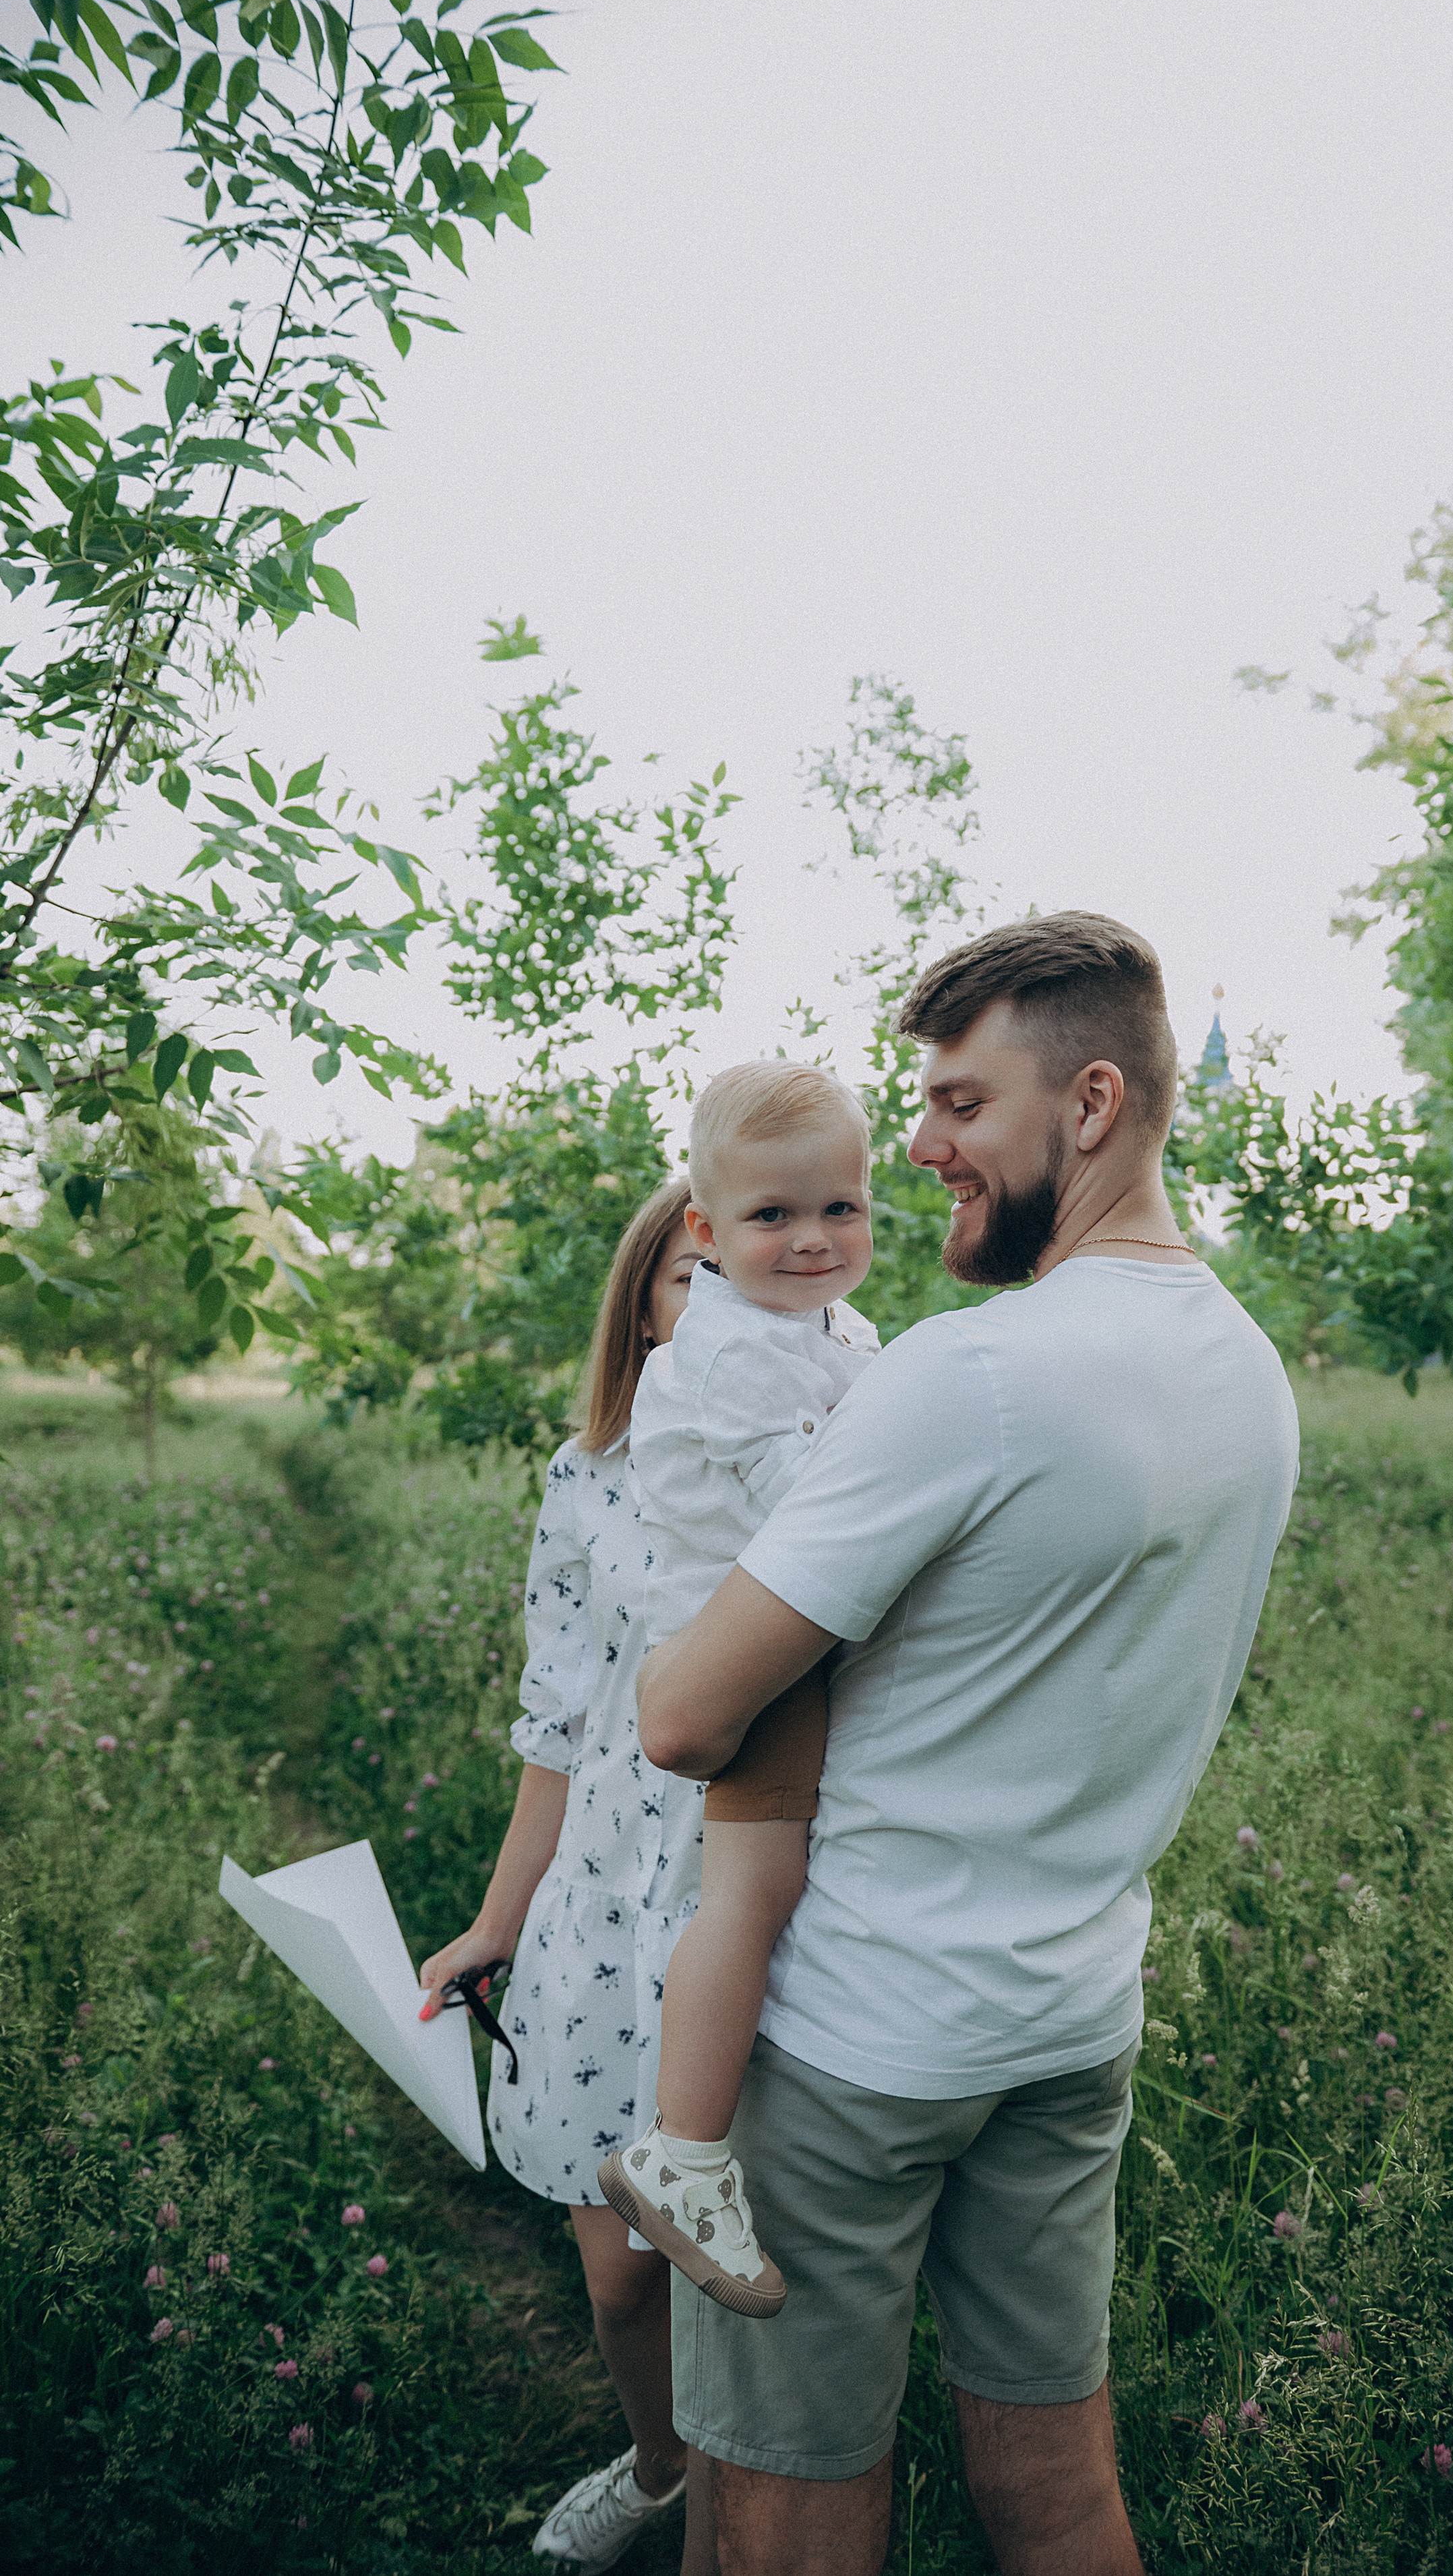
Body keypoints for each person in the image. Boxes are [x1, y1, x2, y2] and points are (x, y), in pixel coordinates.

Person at [636, 912, 1301, 2576]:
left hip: (861, 2037)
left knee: (785, 2505)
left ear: (1086, 1102)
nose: (917, 1144)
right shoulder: (1245, 1368)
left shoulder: (968, 1377)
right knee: (1055, 2471)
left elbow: (680, 1710)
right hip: (1069, 2020)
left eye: (956, 1104)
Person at [417, 1181, 715, 2576]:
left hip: (763, 1887)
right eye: (683, 1278)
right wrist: (496, 1918)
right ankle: (661, 2468)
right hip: (607, 1885)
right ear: (641, 1309)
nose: (713, 1300)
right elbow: (555, 1722)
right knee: (620, 2264)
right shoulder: (585, 1473)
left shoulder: (842, 1439)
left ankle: (761, 2502)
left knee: (747, 2244)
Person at [600, 1063, 879, 2318]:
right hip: (740, 1650)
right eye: (774, 1217)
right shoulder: (732, 1356)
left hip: (776, 1632)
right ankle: (685, 2150)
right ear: (705, 1234)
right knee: (748, 1897)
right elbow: (817, 1511)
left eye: (843, 1209)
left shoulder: (818, 1331)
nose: (815, 1240)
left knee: (772, 1892)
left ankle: (708, 2134)